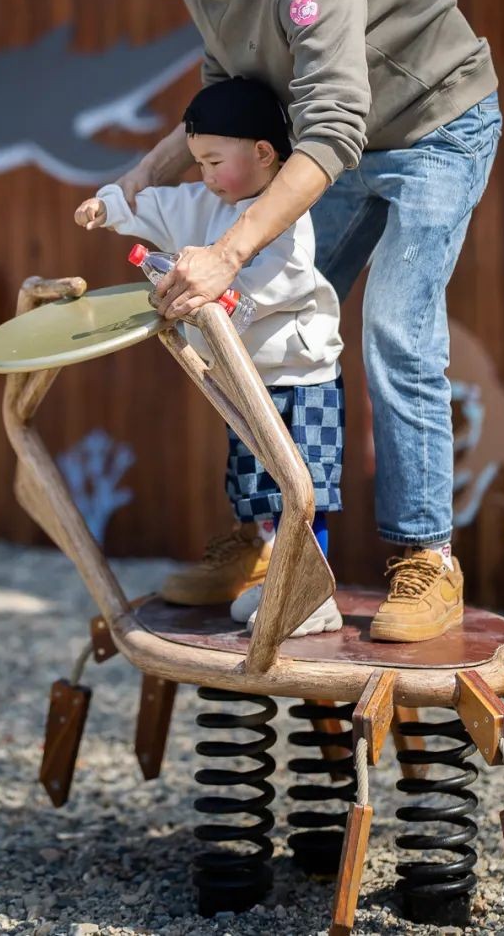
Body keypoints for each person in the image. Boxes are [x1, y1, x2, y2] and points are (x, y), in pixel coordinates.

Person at [79, 0, 503, 642]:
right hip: (337, 144)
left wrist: (227, 251)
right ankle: (274, 542)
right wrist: (142, 177)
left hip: (434, 130)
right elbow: (232, 100)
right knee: (257, 318)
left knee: (395, 330)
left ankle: (426, 558)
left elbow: (333, 132)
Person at [74, 76, 344, 637]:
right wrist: (107, 207)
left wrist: (220, 291)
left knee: (303, 487)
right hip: (244, 380)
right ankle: (278, 581)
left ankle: (311, 592)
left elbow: (280, 283)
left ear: (264, 153)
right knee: (260, 486)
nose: (205, 175)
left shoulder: (285, 215)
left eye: (215, 161)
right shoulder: (202, 203)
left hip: (299, 376)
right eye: (198, 163)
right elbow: (151, 205)